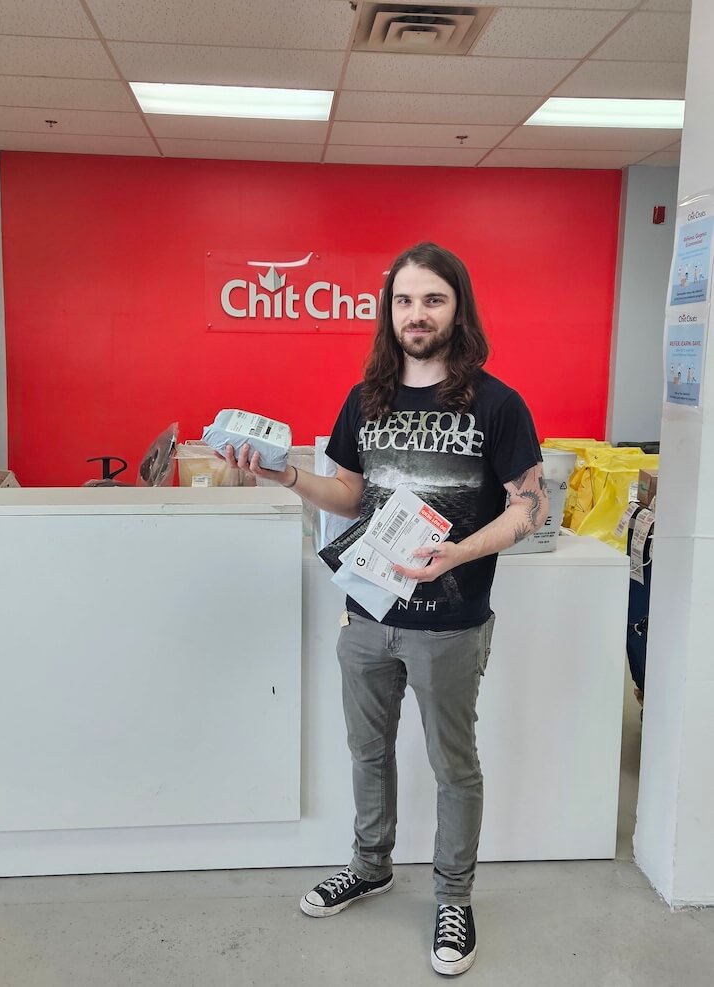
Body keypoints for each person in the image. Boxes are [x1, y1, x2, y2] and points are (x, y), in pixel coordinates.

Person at [217, 242, 547, 977]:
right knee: (368, 752)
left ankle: (453, 897)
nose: (416, 314)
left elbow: (530, 506)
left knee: (453, 765)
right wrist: (282, 474)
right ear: (388, 311)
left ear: (458, 308)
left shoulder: (497, 404)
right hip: (366, 616)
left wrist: (459, 552)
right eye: (404, 300)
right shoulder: (366, 398)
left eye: (432, 299)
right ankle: (370, 866)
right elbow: (347, 494)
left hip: (451, 623)